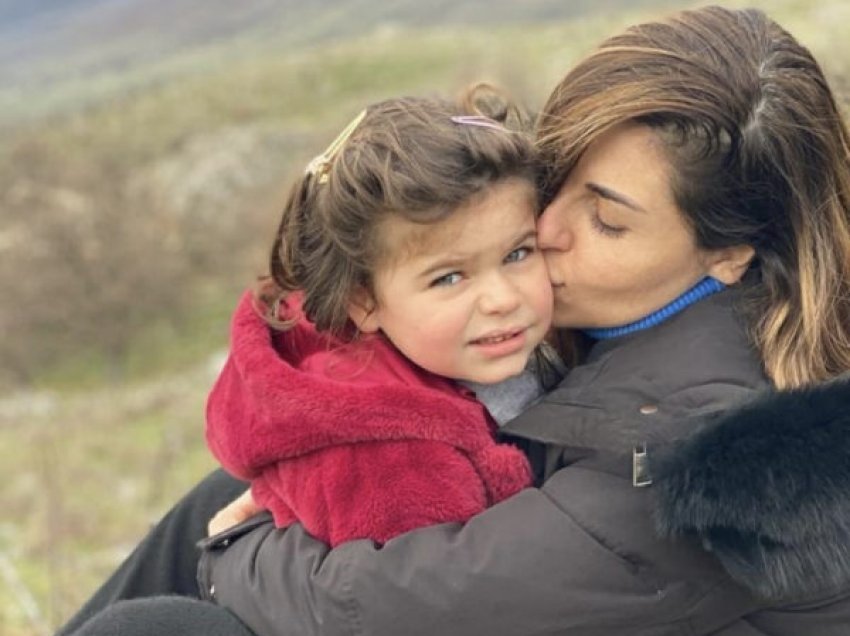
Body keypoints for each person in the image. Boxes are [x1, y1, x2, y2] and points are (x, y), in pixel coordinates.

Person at [58, 6, 850, 636]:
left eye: (607, 222)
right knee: (233, 490)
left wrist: (234, 555)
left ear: (729, 255)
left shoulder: (716, 448)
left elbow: (416, 610)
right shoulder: (625, 321)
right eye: (556, 179)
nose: (546, 230)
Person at [205, 93, 558, 548]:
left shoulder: (473, 355)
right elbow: (437, 600)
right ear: (364, 304)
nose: (502, 299)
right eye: (449, 278)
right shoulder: (386, 454)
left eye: (518, 253)